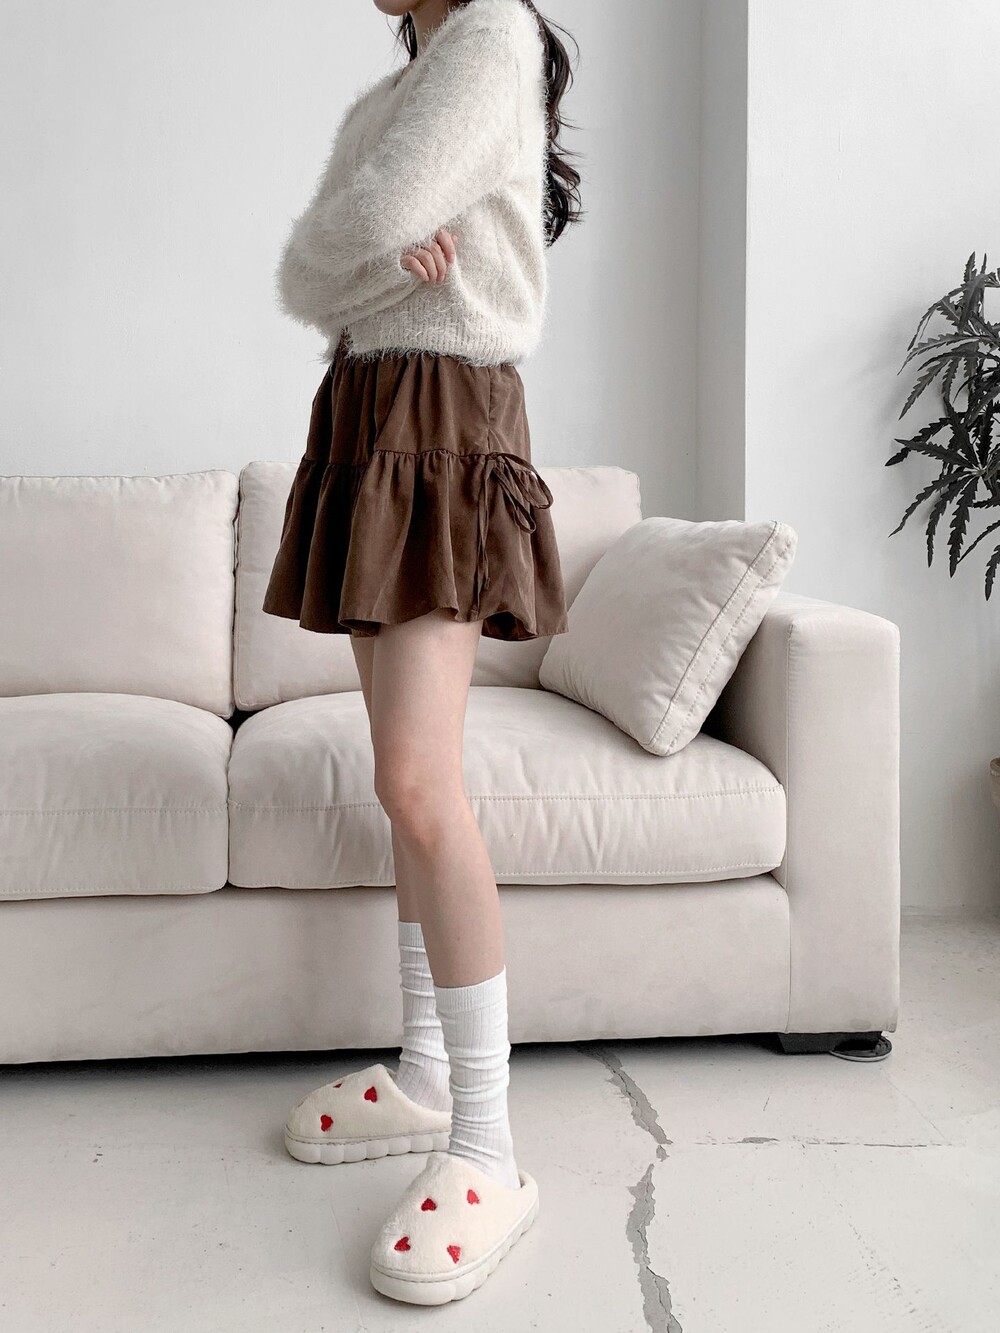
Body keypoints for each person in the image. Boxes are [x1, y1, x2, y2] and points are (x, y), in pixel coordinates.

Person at [261, 0, 582, 1305]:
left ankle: (490, 1147)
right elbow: (303, 276)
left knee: (417, 783)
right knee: (403, 787)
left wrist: (370, 254)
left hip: (445, 413)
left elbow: (364, 225)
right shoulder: (383, 100)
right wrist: (381, 262)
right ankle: (428, 1069)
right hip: (366, 408)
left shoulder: (494, 31)